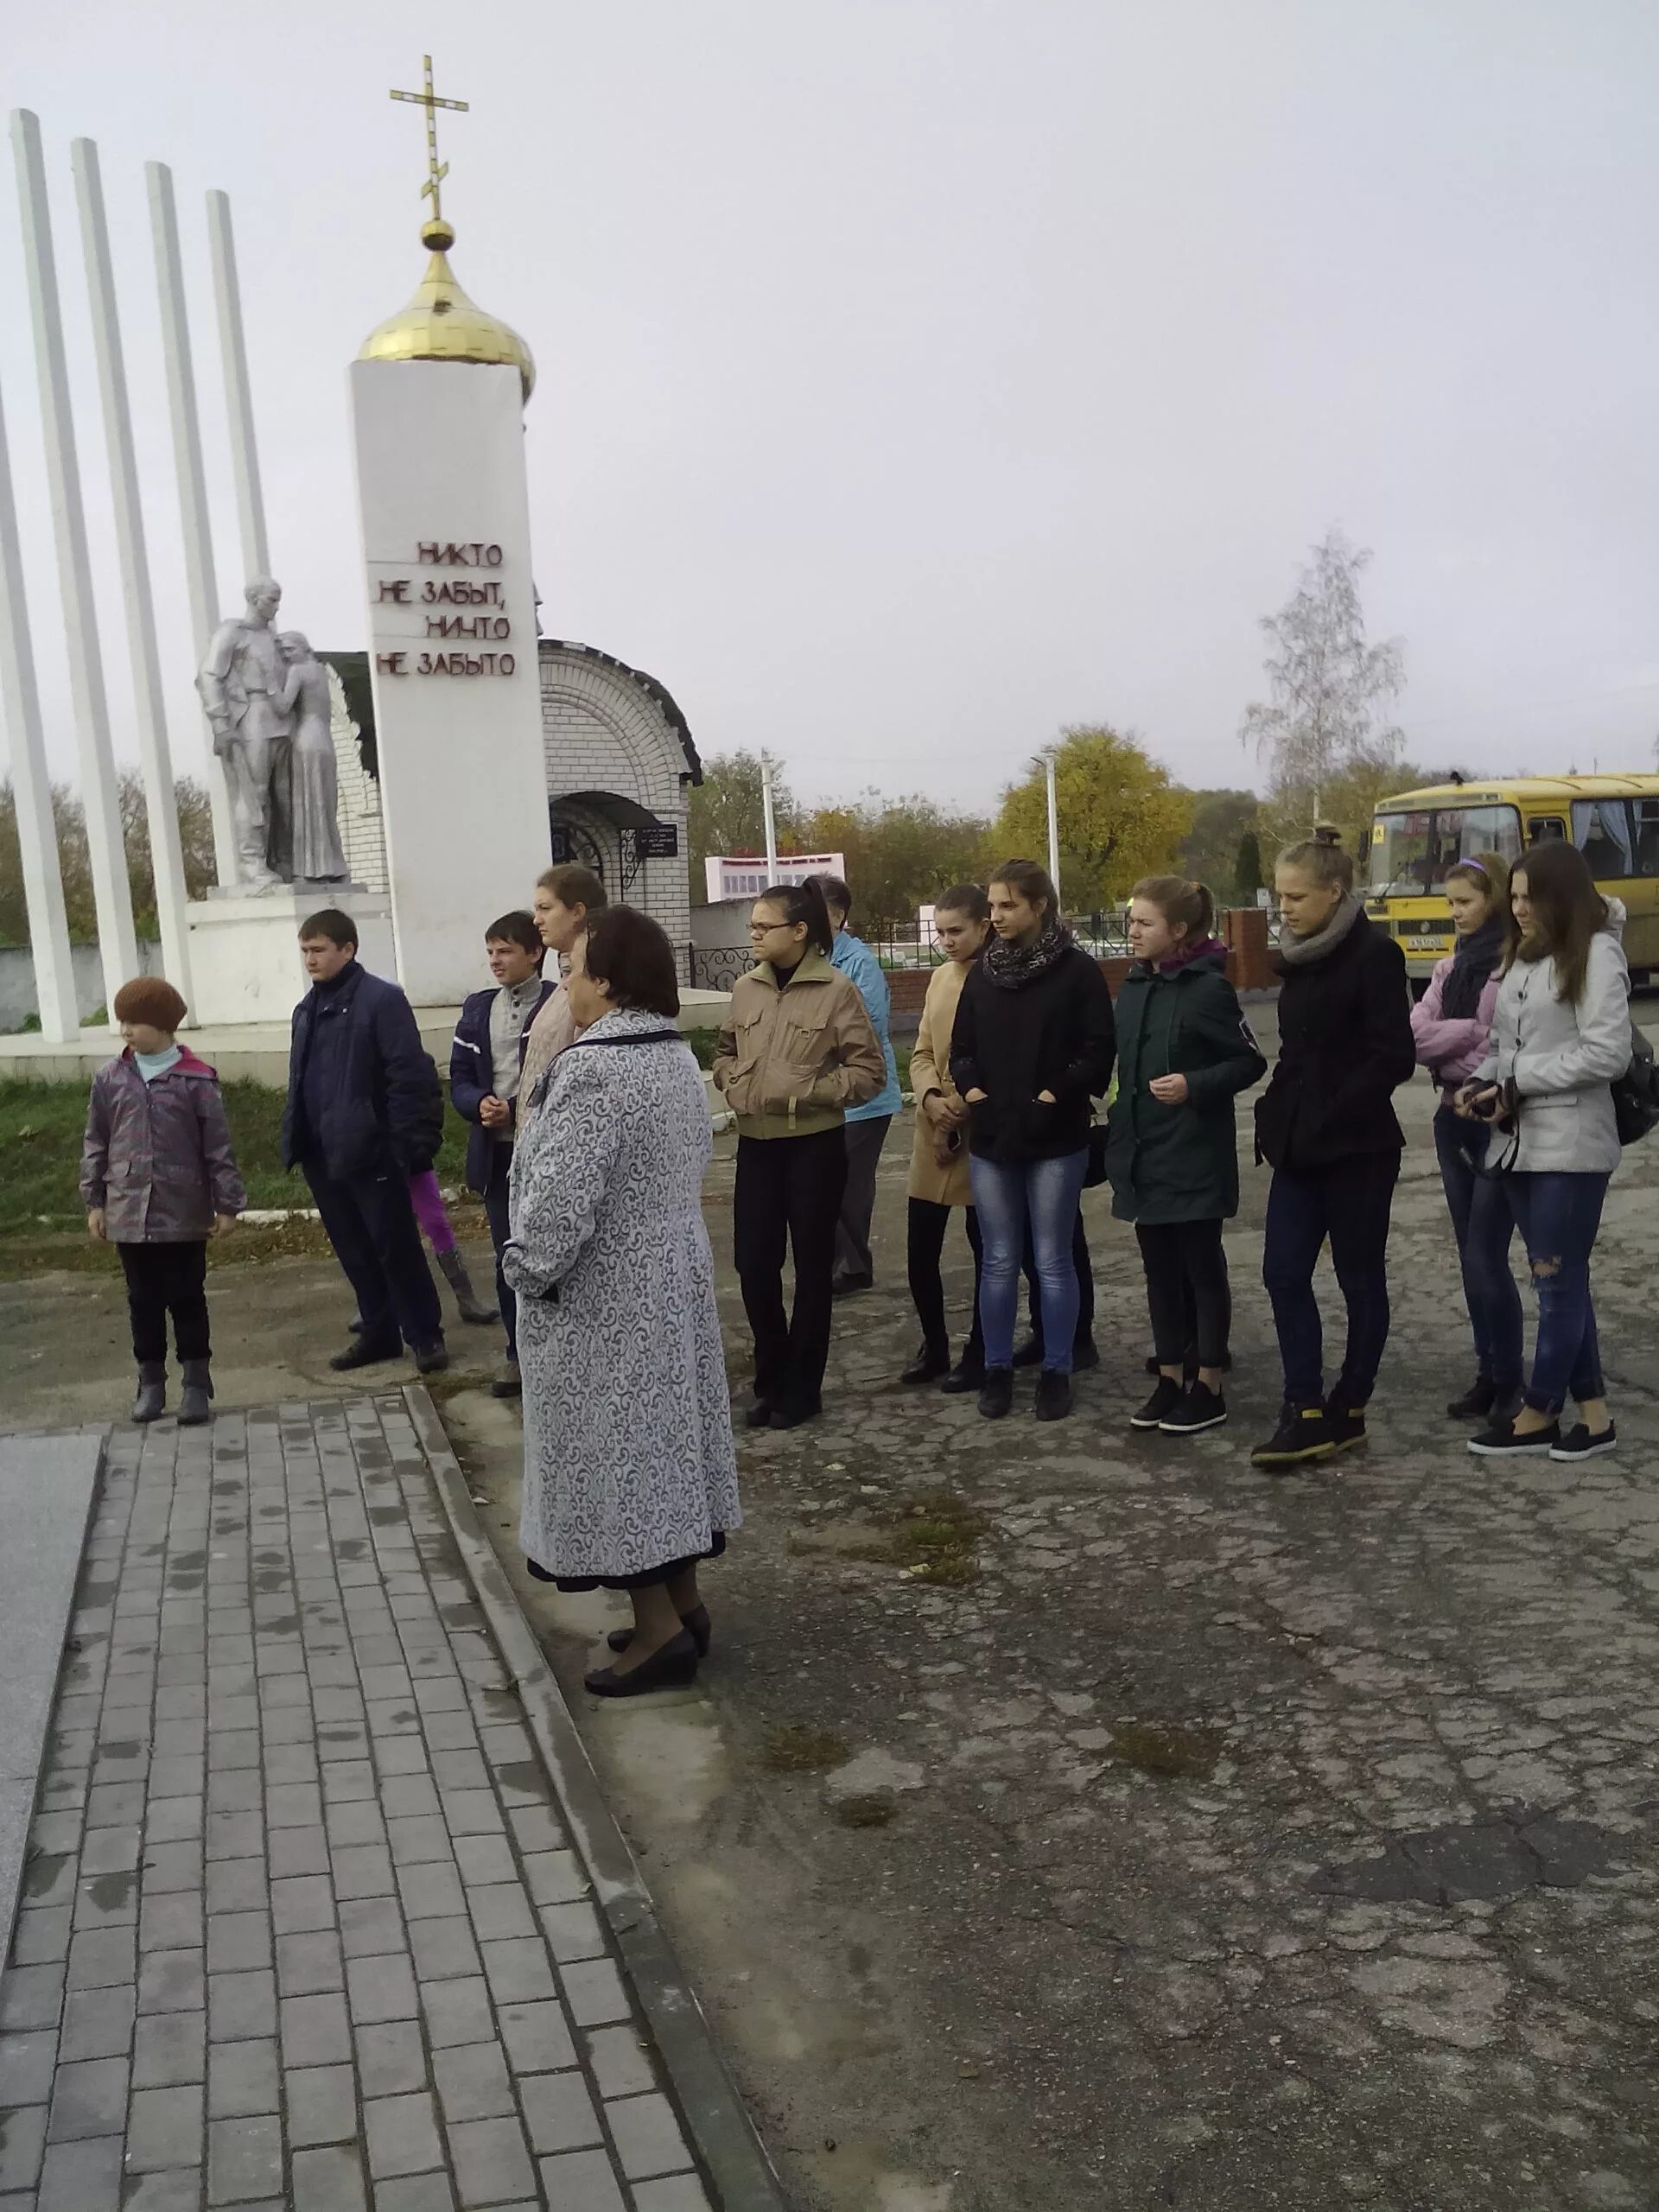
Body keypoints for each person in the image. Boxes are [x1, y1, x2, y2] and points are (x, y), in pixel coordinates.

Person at [506, 906, 740, 1696]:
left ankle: (660, 1633)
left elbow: (561, 1203)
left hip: (604, 1293)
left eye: (571, 969)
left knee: (621, 1453)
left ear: (604, 981)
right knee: (662, 1440)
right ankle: (683, 1602)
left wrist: (526, 1268)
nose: (563, 982)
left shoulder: (598, 1067)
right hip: (666, 1275)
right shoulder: (672, 1055)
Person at [1459, 842, 1630, 1461]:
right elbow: (1505, 1042)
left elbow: (1607, 1053)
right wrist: (1478, 1083)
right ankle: (1596, 1417)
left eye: (1531, 896)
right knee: (1562, 1285)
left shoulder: (1598, 953)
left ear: (1562, 897)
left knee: (1556, 1283)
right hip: (1517, 1145)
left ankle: (1538, 1412)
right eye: (1515, 895)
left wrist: (1517, 1082)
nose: (1518, 906)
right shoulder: (1524, 957)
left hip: (1572, 1145)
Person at [1250, 842, 1415, 1467]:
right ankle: (1303, 1407)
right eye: (1279, 895)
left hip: (1359, 1148)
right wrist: (1272, 1113)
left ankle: (1350, 1404)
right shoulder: (1298, 959)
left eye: (1296, 896)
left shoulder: (1375, 955)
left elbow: (1393, 1056)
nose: (1283, 909)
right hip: (1297, 1147)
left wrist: (1330, 1111)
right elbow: (1295, 1051)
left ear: (1334, 893)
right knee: (1283, 1272)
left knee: (1358, 1277)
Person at [713, 880, 885, 1429]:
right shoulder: (746, 989)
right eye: (753, 927)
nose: (755, 935)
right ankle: (771, 1378)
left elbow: (869, 1072)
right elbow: (724, 1050)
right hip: (756, 1145)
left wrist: (811, 1091)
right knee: (753, 1263)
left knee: (812, 1269)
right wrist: (731, 1079)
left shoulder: (836, 990)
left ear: (800, 931)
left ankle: (802, 1389)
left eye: (765, 926)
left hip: (814, 1146)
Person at [950, 859, 1116, 1424]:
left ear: (1038, 906)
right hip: (993, 1138)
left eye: (1007, 906)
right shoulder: (984, 972)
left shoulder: (1077, 971)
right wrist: (973, 1095)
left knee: (1051, 1259)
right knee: (997, 1261)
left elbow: (1097, 1052)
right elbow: (963, 1048)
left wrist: (1052, 1097)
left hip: (1056, 1137)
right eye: (992, 906)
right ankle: (997, 1371)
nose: (995, 916)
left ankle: (1056, 1370)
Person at [1105, 877, 1266, 1436]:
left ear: (1178, 931)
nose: (1133, 932)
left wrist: (1195, 1084)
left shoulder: (1208, 990)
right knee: (1157, 1271)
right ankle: (1169, 1376)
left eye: (1144, 923)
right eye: (1132, 922)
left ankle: (1209, 1384)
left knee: (1201, 1270)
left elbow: (1249, 1063)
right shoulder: (1134, 986)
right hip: (1142, 1155)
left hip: (1193, 1153)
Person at [280, 908, 448, 1372]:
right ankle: (379, 1333)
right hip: (322, 1153)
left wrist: (406, 1146)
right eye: (305, 951)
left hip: (371, 1152)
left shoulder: (381, 1000)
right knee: (353, 1249)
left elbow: (408, 1076)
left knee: (395, 1248)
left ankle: (425, 1336)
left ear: (348, 949)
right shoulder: (307, 1009)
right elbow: (302, 1080)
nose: (310, 960)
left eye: (318, 950)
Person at [80, 977, 245, 1426]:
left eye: (135, 1022)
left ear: (164, 1025)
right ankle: (150, 1382)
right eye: (123, 1022)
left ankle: (196, 1382)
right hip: (128, 1211)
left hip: (184, 1211)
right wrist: (96, 1201)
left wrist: (226, 1205)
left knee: (187, 1296)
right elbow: (96, 1141)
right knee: (143, 1299)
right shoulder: (110, 1078)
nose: (126, 1031)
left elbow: (218, 1147)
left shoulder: (196, 1080)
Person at [1410, 854, 1522, 1420]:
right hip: (1449, 1114)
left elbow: (1502, 1044)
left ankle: (1510, 1379)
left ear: (1495, 900)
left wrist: (1457, 1038)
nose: (1455, 912)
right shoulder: (1450, 967)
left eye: (1466, 902)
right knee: (1469, 1255)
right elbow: (1416, 1035)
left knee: (1486, 1255)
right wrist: (1466, 1032)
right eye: (1450, 902)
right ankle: (1488, 1370)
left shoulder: (1515, 965)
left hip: (1495, 1117)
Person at [451, 911, 556, 1396]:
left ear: (535, 953)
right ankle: (516, 1354)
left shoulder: (559, 1003)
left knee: (552, 1253)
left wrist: (515, 1110)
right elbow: (460, 1081)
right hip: (496, 1156)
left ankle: (554, 1351)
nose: (495, 960)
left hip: (544, 1151)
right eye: (491, 951)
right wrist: (480, 1104)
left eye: (506, 950)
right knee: (505, 1256)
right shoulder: (477, 1009)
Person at [904, 885, 991, 1389]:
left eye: (957, 931)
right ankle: (934, 1345)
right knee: (920, 1251)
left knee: (987, 1250)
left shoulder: (998, 978)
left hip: (978, 1128)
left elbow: (1000, 1055)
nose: (947, 941)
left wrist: (957, 1108)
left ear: (984, 926)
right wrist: (931, 1098)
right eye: (940, 932)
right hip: (932, 1125)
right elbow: (919, 1051)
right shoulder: (939, 978)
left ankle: (981, 1348)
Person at [810, 874, 902, 1295]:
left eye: (819, 912)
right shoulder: (811, 958)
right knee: (822, 1181)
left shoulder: (858, 961)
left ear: (839, 916)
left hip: (866, 1097)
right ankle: (835, 1265)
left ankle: (853, 1268)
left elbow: (871, 1024)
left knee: (849, 1185)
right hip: (827, 1094)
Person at [517, 863, 607, 1123]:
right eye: (536, 910)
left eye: (545, 908)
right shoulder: (566, 979)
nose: (536, 919)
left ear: (578, 911)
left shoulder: (593, 984)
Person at [275, 631, 348, 882]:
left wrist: (267, 684)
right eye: (282, 651)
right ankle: (336, 867)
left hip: (306, 741)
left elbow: (283, 706)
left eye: (289, 649)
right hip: (325, 742)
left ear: (303, 648)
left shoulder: (298, 672)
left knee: (307, 806)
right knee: (325, 806)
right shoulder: (319, 671)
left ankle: (310, 869)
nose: (285, 656)